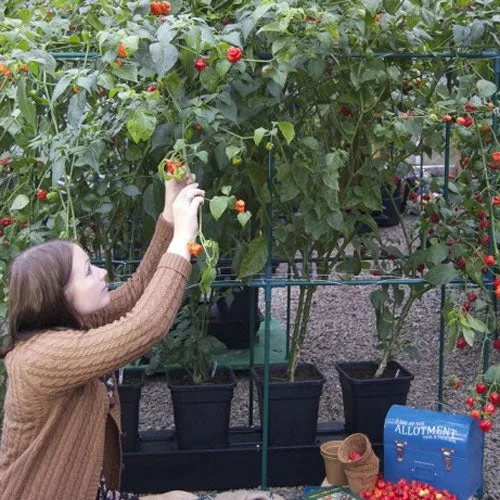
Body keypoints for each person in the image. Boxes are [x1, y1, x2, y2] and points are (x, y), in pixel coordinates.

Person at [0, 176, 205, 500]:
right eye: (87, 271)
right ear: (60, 296)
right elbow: (146, 325)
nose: (102, 273)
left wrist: (168, 214)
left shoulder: (74, 323)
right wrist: (182, 240)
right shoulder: (42, 357)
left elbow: (137, 293)